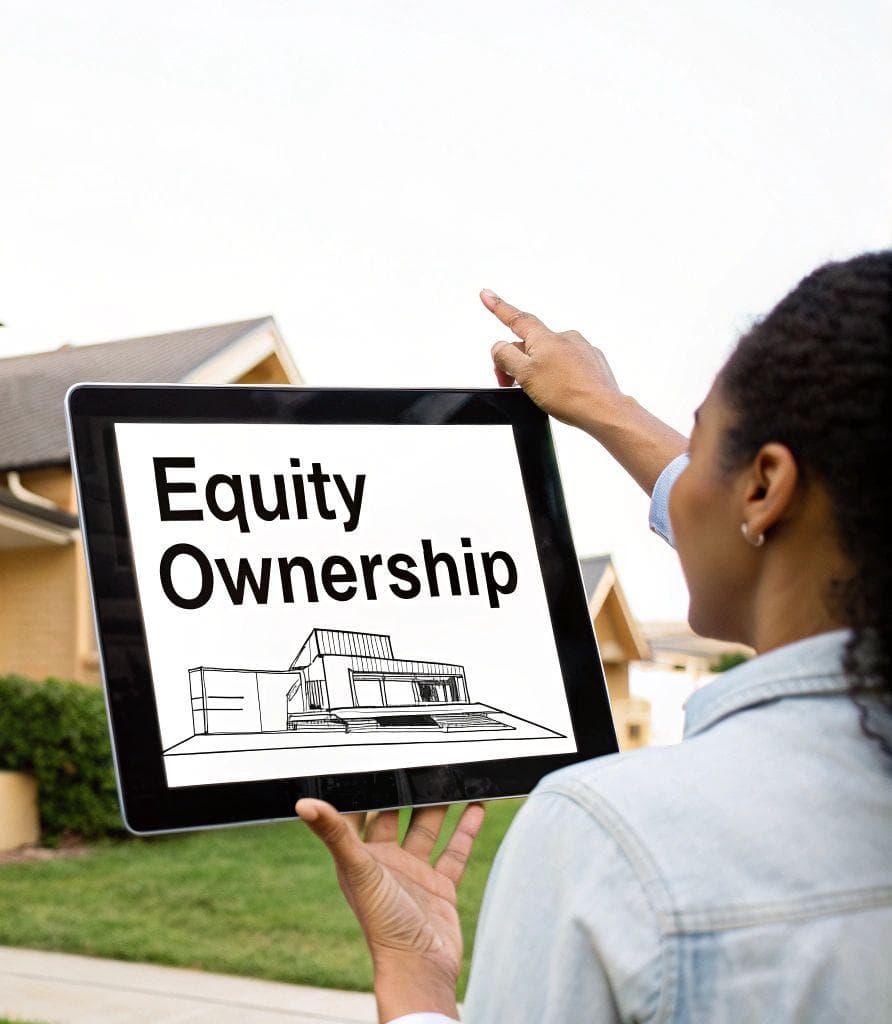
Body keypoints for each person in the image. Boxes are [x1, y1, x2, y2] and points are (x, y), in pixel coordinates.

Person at [298, 252, 892, 1021]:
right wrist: (605, 406)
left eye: (700, 440)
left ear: (764, 486)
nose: (682, 480)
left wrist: (415, 980)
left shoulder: (612, 842)